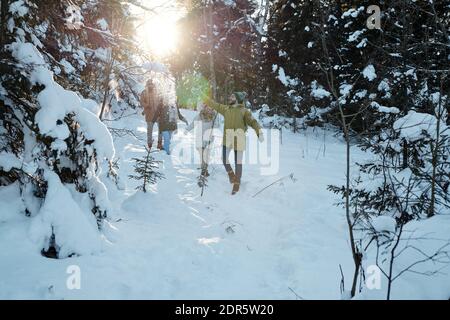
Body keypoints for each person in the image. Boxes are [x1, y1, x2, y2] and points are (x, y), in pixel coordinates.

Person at [204, 92, 263, 195]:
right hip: (228, 138)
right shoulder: (226, 109)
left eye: (232, 96)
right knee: (224, 158)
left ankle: (237, 182)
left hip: (239, 138)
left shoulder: (244, 111)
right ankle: (231, 174)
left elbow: (253, 122)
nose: (230, 97)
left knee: (238, 162)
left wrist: (259, 132)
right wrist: (202, 96)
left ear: (238, 99)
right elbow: (213, 104)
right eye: (230, 96)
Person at [186, 102, 217, 177]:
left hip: (209, 138)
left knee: (206, 155)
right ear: (205, 107)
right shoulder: (200, 115)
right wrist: (187, 130)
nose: (209, 109)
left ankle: (204, 169)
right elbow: (193, 123)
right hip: (200, 138)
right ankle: (204, 170)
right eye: (207, 107)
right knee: (202, 155)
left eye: (210, 107)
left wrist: (215, 123)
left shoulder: (213, 116)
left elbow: (217, 125)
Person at [140, 80, 163, 149]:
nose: (151, 86)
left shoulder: (157, 92)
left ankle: (159, 144)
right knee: (149, 130)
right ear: (147, 85)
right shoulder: (144, 93)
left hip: (158, 114)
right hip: (149, 114)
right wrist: (146, 105)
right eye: (149, 84)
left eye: (152, 85)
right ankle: (149, 144)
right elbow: (141, 102)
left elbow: (160, 101)